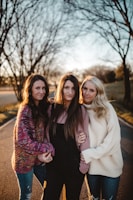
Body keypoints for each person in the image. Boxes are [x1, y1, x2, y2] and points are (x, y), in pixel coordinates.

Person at [42, 73, 90, 200]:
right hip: (54, 167)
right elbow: (46, 136)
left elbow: (86, 138)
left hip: (74, 168)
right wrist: (45, 152)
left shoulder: (81, 110)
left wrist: (83, 165)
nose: (70, 92)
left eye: (73, 88)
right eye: (66, 87)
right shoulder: (51, 108)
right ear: (61, 88)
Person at [11, 74, 55, 200]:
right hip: (23, 161)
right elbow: (23, 141)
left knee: (51, 188)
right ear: (30, 89)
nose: (41, 91)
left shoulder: (43, 106)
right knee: (26, 195)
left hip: (39, 159)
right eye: (37, 88)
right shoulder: (25, 109)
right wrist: (47, 148)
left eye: (43, 88)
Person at [80, 75, 123, 200]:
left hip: (110, 166)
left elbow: (113, 141)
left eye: (92, 90)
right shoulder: (79, 109)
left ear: (98, 93)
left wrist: (90, 153)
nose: (87, 93)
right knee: (93, 198)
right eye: (85, 88)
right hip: (92, 167)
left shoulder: (106, 109)